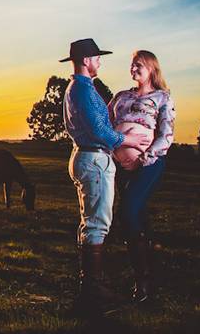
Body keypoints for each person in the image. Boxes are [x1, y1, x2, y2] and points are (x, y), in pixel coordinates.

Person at [60, 38, 151, 316]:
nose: (100, 61)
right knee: (98, 224)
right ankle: (93, 293)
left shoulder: (78, 89)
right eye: (97, 57)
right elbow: (101, 130)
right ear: (86, 60)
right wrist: (131, 141)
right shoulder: (83, 90)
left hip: (88, 156)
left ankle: (91, 287)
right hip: (94, 157)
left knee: (90, 223)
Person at [109, 50, 175, 303]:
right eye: (132, 65)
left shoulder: (162, 98)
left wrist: (143, 158)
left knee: (128, 212)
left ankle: (143, 280)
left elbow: (166, 135)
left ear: (151, 69)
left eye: (139, 65)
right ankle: (147, 266)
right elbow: (106, 124)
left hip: (148, 164)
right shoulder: (120, 96)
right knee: (134, 215)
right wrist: (116, 155)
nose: (133, 68)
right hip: (120, 165)